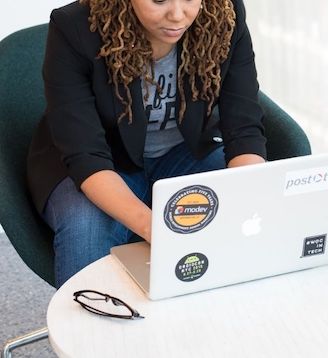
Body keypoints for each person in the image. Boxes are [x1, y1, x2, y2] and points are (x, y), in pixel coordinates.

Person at [27, 0, 267, 288]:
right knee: (85, 229)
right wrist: (157, 228)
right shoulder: (75, 27)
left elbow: (243, 129)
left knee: (253, 205)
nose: (178, 15)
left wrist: (249, 196)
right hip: (103, 162)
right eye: (159, 0)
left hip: (185, 153)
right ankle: (88, 329)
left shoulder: (225, 13)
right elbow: (85, 155)